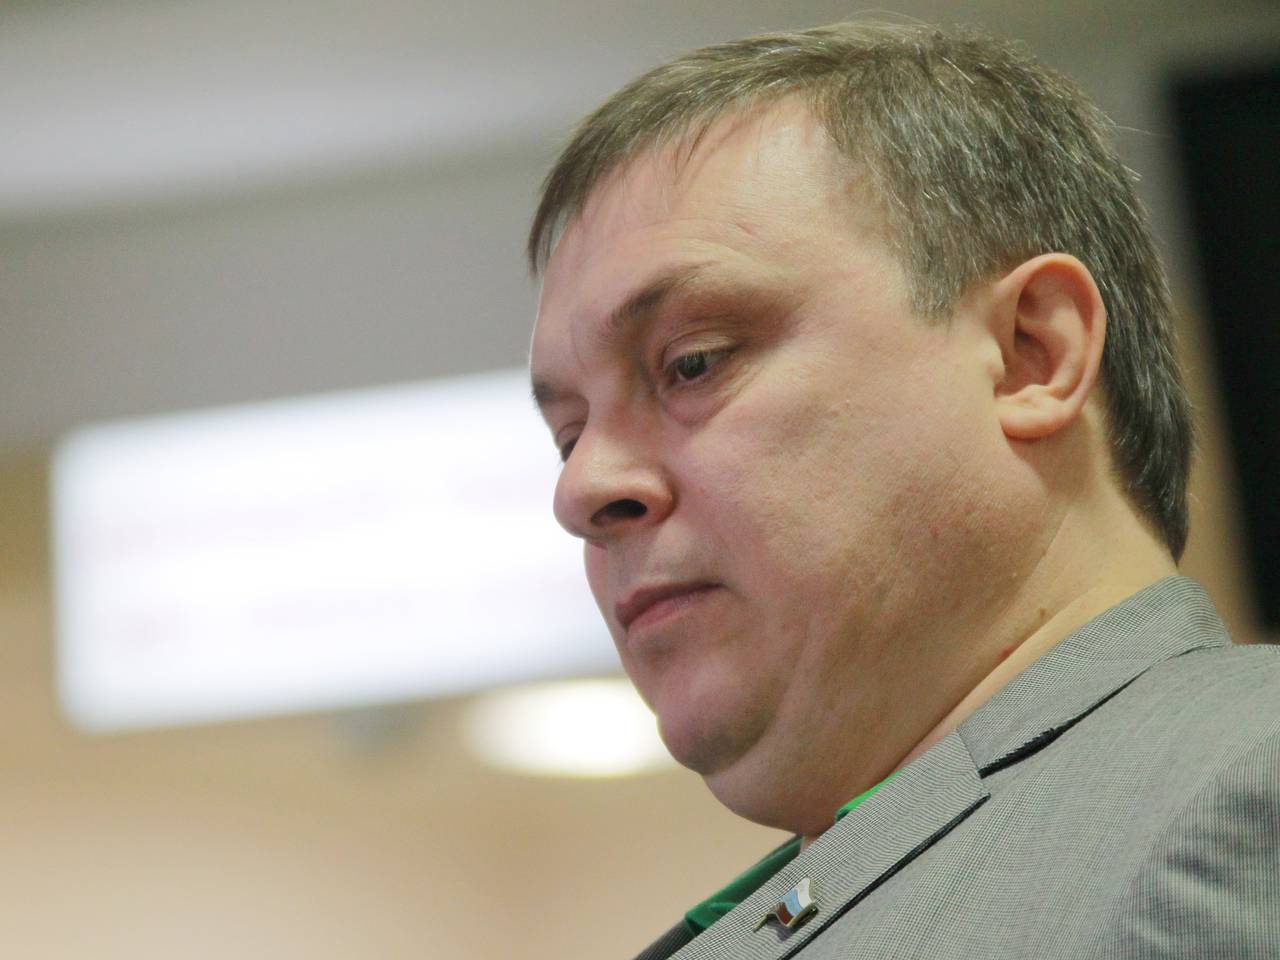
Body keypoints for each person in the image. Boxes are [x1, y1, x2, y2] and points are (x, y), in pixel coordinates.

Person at [526, 21, 1280, 959]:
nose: (582, 488)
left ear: (1030, 355)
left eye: (693, 362)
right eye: (569, 435)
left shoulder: (1244, 797)